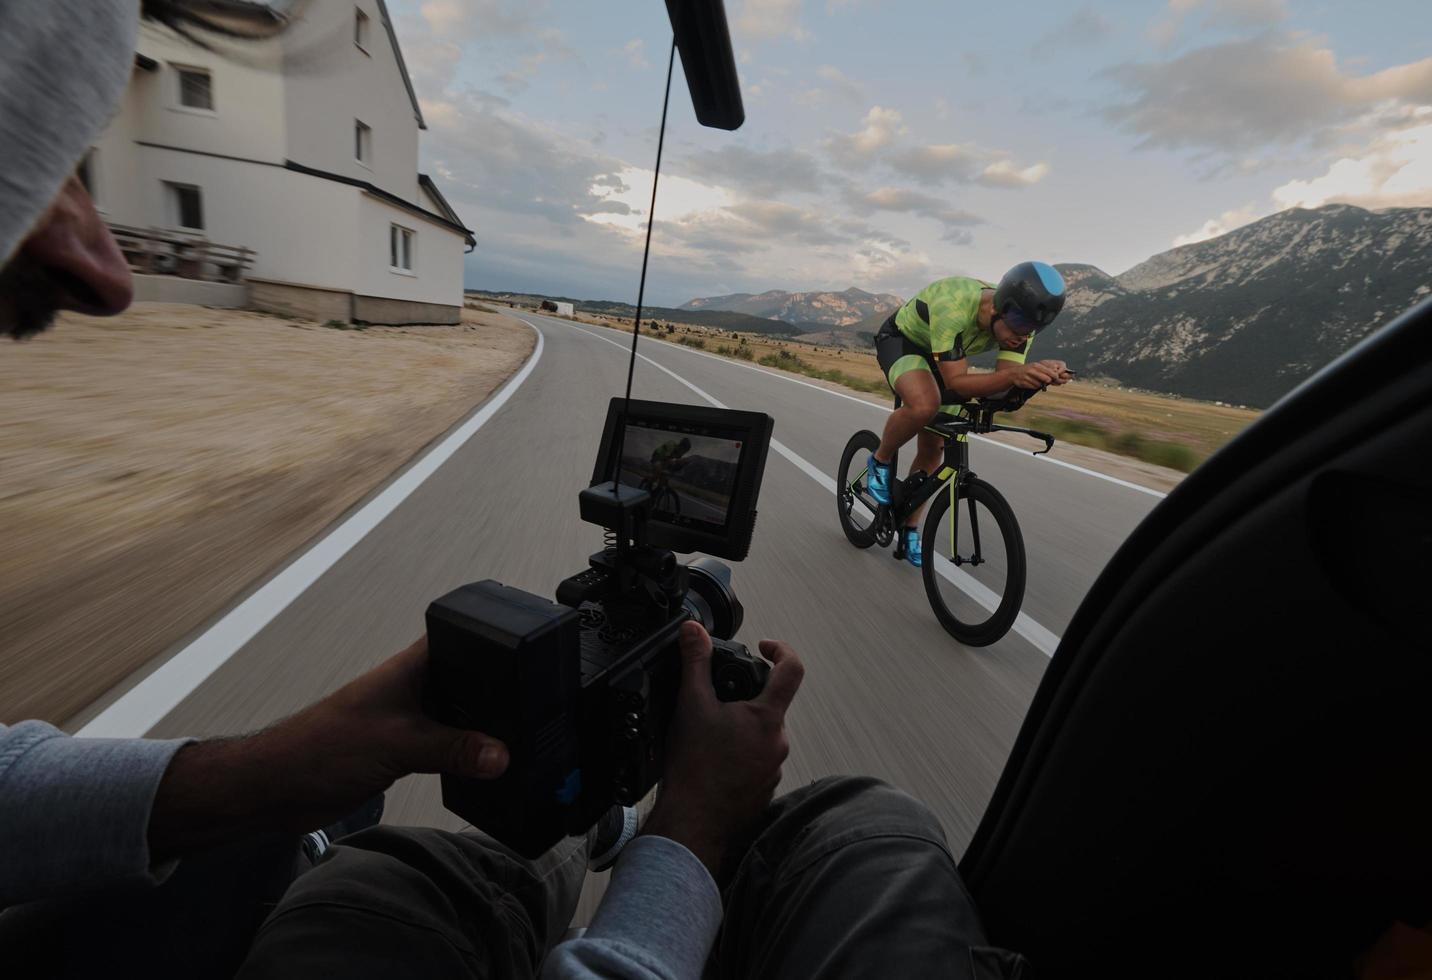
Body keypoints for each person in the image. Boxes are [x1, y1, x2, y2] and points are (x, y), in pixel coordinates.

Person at [0, 3, 1023, 978]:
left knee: (361, 838)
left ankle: (569, 840)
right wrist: (691, 838)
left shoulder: (997, 319)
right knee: (866, 827)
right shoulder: (946, 306)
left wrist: (286, 760)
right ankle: (598, 840)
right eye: (41, 165)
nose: (107, 268)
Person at [867, 266, 1072, 565]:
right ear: (1001, 305)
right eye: (1017, 322)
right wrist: (1016, 374)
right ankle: (880, 460)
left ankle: (909, 527)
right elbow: (958, 383)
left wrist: (1037, 378)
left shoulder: (1019, 330)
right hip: (904, 341)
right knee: (924, 406)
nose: (1021, 334)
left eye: (1032, 328)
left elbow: (1000, 389)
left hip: (947, 359)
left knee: (934, 446)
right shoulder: (954, 305)